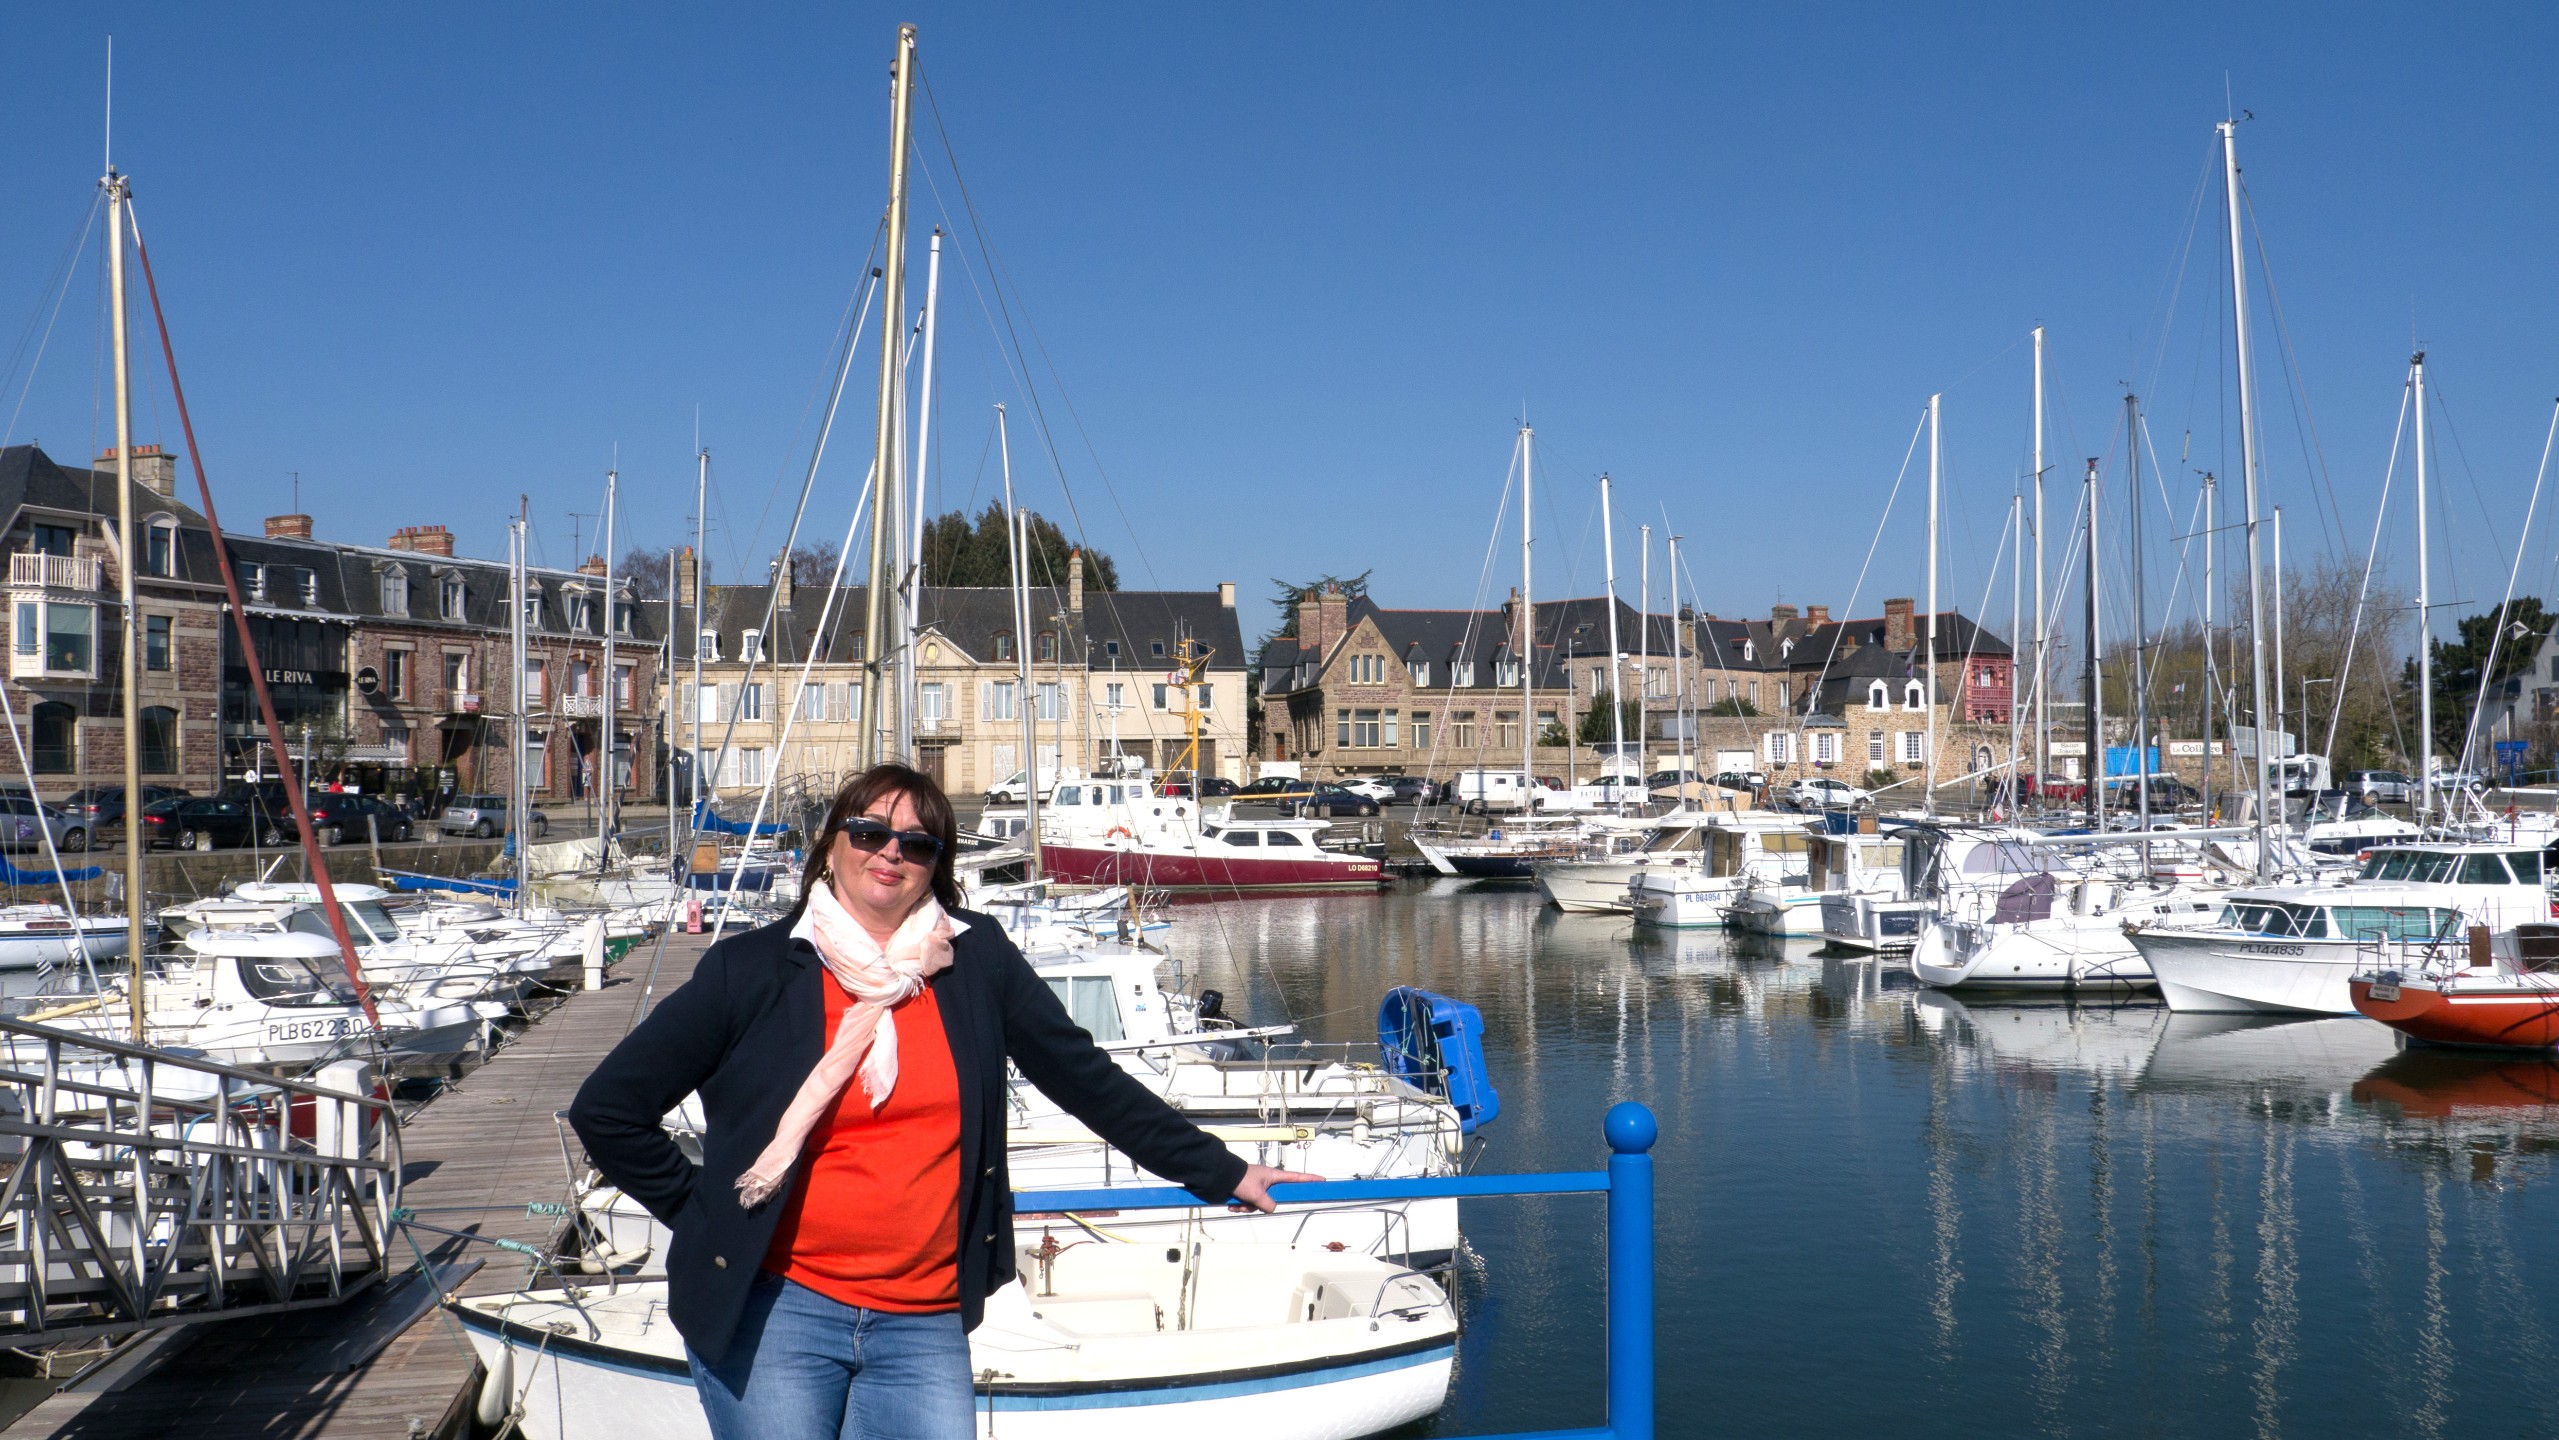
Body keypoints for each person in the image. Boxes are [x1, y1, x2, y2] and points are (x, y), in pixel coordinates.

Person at [570, 762, 1315, 1439]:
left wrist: (1224, 1172)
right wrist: (706, 1213)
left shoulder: (974, 959)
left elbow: (1085, 1079)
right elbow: (609, 1110)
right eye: (870, 832)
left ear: (937, 867)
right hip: (777, 1306)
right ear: (831, 847)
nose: (891, 852)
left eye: (918, 844)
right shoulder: (753, 969)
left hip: (921, 1318)